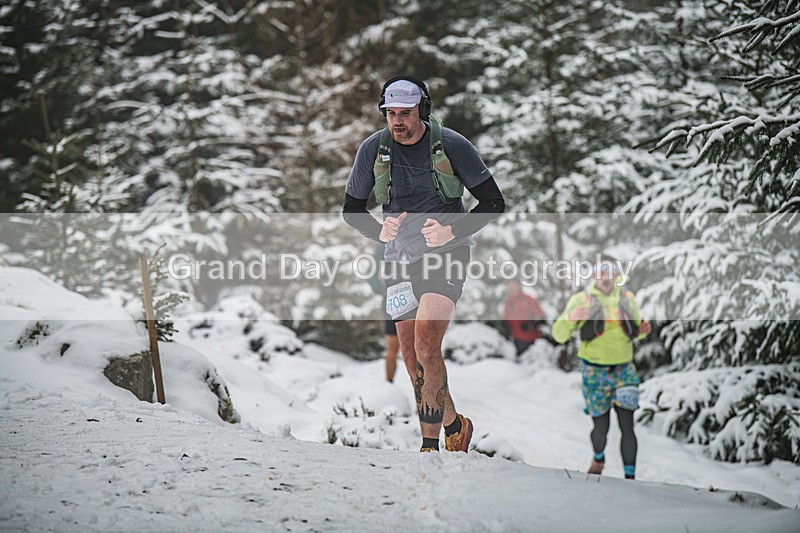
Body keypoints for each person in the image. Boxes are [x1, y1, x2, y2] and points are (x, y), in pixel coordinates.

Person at [343, 76, 505, 452]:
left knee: (427, 344)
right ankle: (455, 425)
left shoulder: (451, 145)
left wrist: (453, 231)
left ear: (423, 110)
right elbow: (352, 210)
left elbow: (493, 202)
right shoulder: (373, 150)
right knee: (412, 354)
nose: (397, 121)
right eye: (391, 113)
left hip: (446, 255)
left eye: (405, 113)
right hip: (398, 261)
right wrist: (379, 232)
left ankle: (430, 445)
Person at [551, 255, 651, 479]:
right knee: (601, 427)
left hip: (624, 370)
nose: (606, 277)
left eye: (610, 272)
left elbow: (636, 330)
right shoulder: (581, 300)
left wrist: (643, 329)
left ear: (617, 276)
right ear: (594, 276)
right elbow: (558, 335)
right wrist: (571, 318)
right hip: (594, 372)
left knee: (627, 425)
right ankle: (598, 458)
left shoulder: (626, 298)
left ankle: (630, 478)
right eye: (601, 272)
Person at [368, 242, 400, 383]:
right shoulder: (385, 242)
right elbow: (371, 273)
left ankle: (423, 392)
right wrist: (382, 291)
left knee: (418, 347)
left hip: (415, 298)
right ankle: (389, 384)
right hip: (393, 299)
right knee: (394, 347)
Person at [502, 279, 545, 357]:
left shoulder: (529, 300)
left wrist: (531, 325)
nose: (511, 289)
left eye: (513, 286)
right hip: (515, 340)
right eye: (509, 287)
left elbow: (541, 317)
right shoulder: (508, 302)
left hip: (531, 340)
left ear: (519, 286)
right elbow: (506, 319)